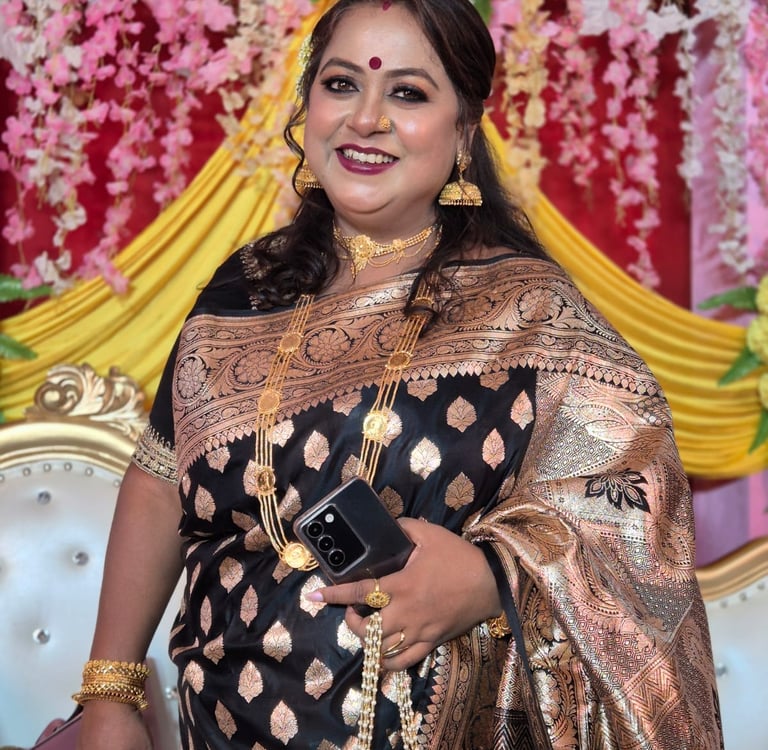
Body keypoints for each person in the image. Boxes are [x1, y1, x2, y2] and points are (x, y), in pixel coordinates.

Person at [75, 0, 724, 748]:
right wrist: (110, 692)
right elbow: (162, 478)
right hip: (222, 722)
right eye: (341, 84)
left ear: (464, 132)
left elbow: (635, 509)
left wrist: (490, 578)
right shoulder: (243, 290)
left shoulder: (529, 311)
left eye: (408, 93)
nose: (366, 119)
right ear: (308, 105)